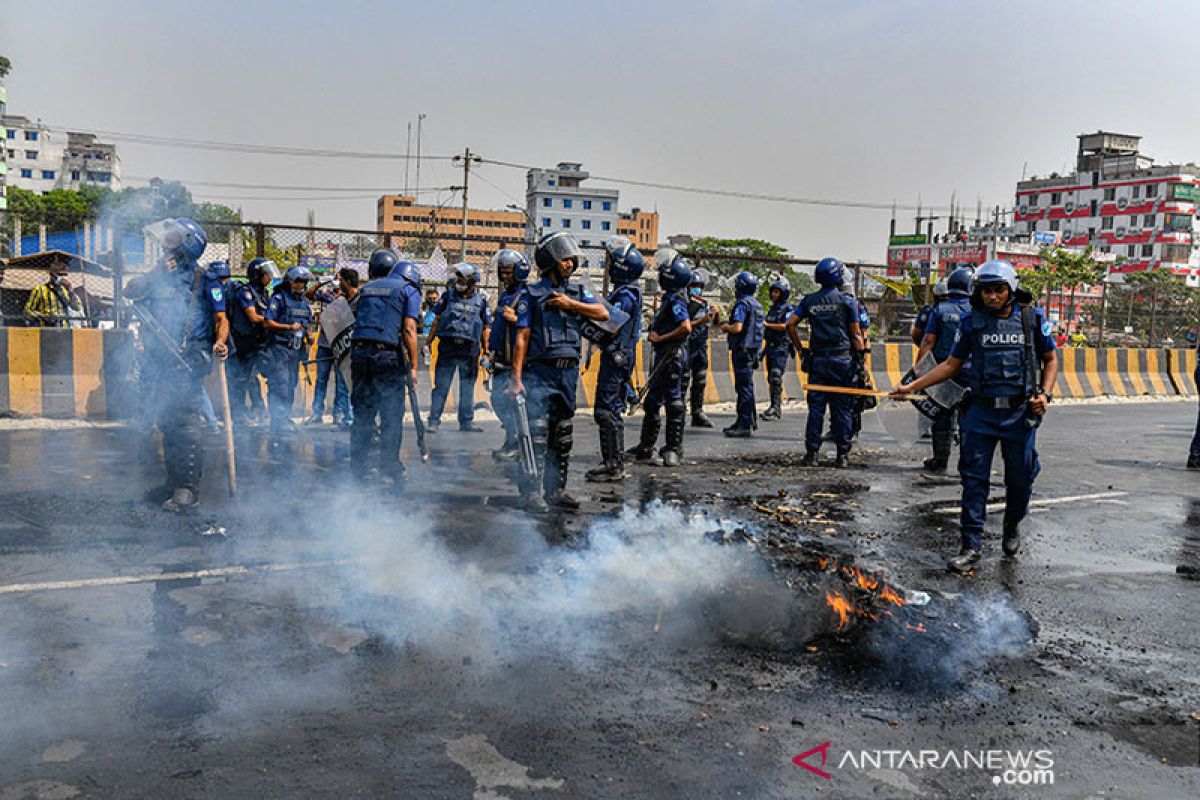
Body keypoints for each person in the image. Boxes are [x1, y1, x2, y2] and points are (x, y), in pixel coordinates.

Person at [895, 260, 1057, 573]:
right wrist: (912, 385)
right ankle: (970, 545)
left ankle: (1012, 524)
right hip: (979, 413)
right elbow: (951, 365)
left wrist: (1045, 395)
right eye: (986, 291)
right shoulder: (971, 323)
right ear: (977, 293)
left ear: (1011, 289)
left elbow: (1050, 359)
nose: (992, 296)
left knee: (1021, 479)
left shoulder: (1032, 319)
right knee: (973, 481)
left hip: (1019, 414)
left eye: (999, 290)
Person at [124, 218, 228, 512]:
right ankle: (173, 482)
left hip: (187, 358)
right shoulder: (160, 275)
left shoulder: (204, 279)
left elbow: (222, 319)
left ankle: (188, 489)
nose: (167, 244)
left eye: (173, 240)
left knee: (185, 421)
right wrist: (156, 272)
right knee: (167, 422)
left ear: (189, 244)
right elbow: (130, 291)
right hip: (159, 360)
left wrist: (220, 342)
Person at [510, 232, 609, 512]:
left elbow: (603, 314)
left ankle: (556, 491)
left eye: (571, 259)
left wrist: (570, 305)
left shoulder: (577, 293)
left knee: (562, 435)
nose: (570, 264)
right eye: (565, 259)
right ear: (550, 262)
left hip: (567, 374)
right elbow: (522, 336)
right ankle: (530, 493)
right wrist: (517, 378)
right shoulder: (531, 294)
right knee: (536, 435)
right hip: (540, 372)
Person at [349, 249, 422, 482]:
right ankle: (390, 465)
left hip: (359, 355)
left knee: (363, 413)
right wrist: (413, 367)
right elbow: (409, 329)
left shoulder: (367, 289)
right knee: (391, 414)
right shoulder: (407, 290)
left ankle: (359, 466)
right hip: (386, 358)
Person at [786, 257, 863, 467]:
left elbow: (790, 324)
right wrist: (861, 361)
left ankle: (812, 454)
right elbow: (856, 334)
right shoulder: (847, 301)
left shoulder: (809, 300)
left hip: (818, 360)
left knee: (816, 408)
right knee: (842, 409)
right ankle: (842, 455)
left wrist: (801, 349)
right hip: (842, 360)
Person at [586, 237, 643, 482]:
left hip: (617, 355)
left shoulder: (627, 294)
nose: (608, 265)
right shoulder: (626, 290)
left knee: (606, 410)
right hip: (619, 355)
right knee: (611, 409)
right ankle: (613, 462)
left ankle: (613, 465)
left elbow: (613, 323)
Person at [628, 252, 691, 466]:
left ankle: (673, 448)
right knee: (652, 401)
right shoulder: (669, 297)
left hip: (672, 355)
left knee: (673, 401)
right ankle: (646, 446)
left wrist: (660, 337)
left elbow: (685, 327)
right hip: (663, 354)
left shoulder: (677, 300)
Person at [915, 267, 972, 472]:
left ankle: (940, 460)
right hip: (969, 372)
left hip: (942, 372)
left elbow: (927, 341)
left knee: (942, 416)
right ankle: (967, 464)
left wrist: (920, 372)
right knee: (969, 417)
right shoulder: (976, 310)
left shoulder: (939, 310)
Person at [427, 263, 491, 433]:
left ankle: (466, 423)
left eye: (462, 277)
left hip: (469, 349)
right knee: (441, 385)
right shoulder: (448, 296)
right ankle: (433, 421)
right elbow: (437, 319)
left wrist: (487, 351)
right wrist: (428, 342)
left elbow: (485, 327)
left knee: (467, 386)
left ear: (471, 281)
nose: (458, 280)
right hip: (448, 347)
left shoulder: (481, 301)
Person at [488, 249, 532, 462]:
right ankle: (511, 439)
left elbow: (528, 329)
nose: (504, 276)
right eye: (502, 272)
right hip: (500, 360)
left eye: (508, 272)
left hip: (514, 361)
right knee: (498, 401)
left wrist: (515, 318)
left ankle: (517, 445)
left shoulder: (525, 297)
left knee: (512, 404)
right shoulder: (506, 295)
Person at [262, 266, 314, 440]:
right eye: (298, 282)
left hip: (296, 351)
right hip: (280, 349)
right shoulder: (279, 299)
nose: (301, 286)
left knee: (291, 385)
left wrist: (309, 334)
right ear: (290, 282)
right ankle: (276, 422)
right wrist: (289, 327)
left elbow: (306, 322)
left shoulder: (305, 303)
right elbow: (268, 322)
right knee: (280, 385)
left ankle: (285, 418)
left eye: (303, 283)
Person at [305, 268, 360, 428]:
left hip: (341, 347)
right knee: (321, 380)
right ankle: (317, 413)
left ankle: (339, 415)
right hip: (324, 344)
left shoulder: (352, 300)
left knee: (341, 383)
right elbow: (309, 295)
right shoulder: (327, 296)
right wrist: (323, 282)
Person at [226, 258, 277, 427]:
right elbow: (253, 317)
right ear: (257, 275)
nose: (269, 277)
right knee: (240, 380)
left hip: (258, 343)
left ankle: (262, 410)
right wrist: (275, 323)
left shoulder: (264, 293)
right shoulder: (245, 292)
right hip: (243, 343)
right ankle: (238, 416)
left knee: (258, 376)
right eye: (266, 274)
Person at [718, 271, 765, 437]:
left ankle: (744, 424)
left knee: (743, 388)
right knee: (748, 387)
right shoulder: (757, 305)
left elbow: (737, 327)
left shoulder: (742, 304)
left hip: (742, 351)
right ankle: (748, 420)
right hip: (752, 350)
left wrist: (725, 327)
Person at [680, 269, 719, 428]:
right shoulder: (685, 304)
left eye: (698, 285)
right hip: (687, 345)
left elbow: (714, 325)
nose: (696, 288)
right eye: (693, 285)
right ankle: (679, 411)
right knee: (683, 380)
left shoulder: (705, 304)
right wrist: (702, 321)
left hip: (700, 347)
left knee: (700, 379)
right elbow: (685, 325)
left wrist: (715, 315)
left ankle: (697, 411)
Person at [760, 276, 794, 421]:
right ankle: (773, 405)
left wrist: (767, 325)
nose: (774, 295)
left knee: (776, 376)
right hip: (771, 347)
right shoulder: (772, 309)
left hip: (781, 347)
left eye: (777, 292)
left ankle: (776, 409)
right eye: (773, 292)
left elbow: (786, 326)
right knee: (771, 378)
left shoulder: (788, 309)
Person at [24, 261, 83, 327]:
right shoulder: (39, 290)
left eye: (65, 275)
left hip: (64, 329)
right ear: (52, 274)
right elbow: (28, 310)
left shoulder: (66, 291)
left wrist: (71, 291)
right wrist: (41, 316)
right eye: (60, 274)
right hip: (46, 328)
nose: (63, 277)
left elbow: (77, 307)